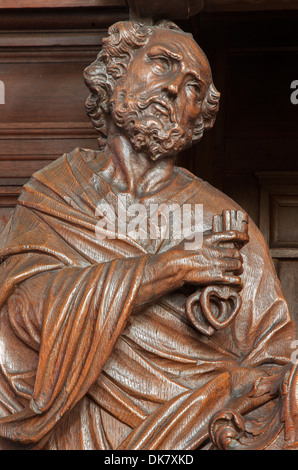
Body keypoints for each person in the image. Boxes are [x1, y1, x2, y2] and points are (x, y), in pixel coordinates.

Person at [0, 20, 295, 450]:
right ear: (118, 70)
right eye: (162, 64)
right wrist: (166, 270)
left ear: (199, 119)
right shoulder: (54, 192)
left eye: (194, 87)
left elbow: (277, 360)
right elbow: (20, 317)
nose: (175, 88)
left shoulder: (224, 220)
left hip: (194, 436)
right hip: (69, 431)